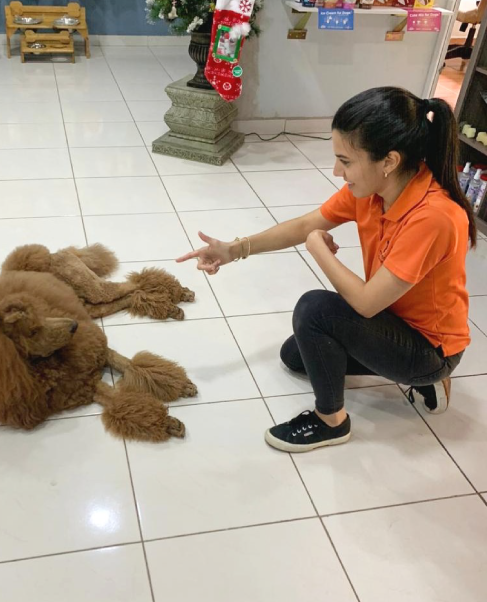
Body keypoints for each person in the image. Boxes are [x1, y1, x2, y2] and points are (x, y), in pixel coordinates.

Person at [176, 86, 477, 453]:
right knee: (296, 356)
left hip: (429, 349)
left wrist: (318, 250)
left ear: (389, 161)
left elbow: (365, 303)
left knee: (315, 310)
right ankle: (404, 376)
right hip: (392, 317)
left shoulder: (434, 217)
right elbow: (305, 224)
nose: (337, 172)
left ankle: (331, 421)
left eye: (346, 161)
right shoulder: (374, 188)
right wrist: (233, 250)